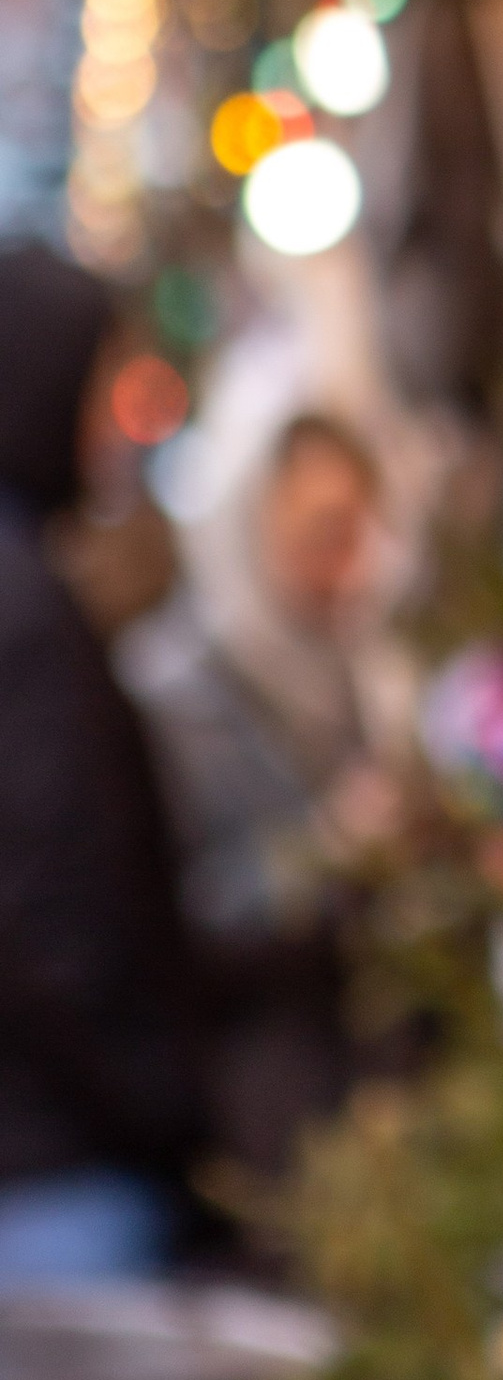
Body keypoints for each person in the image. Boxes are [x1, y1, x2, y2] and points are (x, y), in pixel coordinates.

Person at [125, 405, 408, 1182]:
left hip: (384, 1087)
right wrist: (329, 849)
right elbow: (183, 916)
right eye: (321, 531)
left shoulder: (342, 661)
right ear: (253, 525)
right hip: (280, 1113)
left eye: (358, 531)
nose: (345, 565)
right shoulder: (174, 689)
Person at [0, 240, 201, 1279]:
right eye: (100, 387)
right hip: (62, 1171)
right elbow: (54, 915)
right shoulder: (22, 606)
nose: (121, 423)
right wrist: (162, 1109)